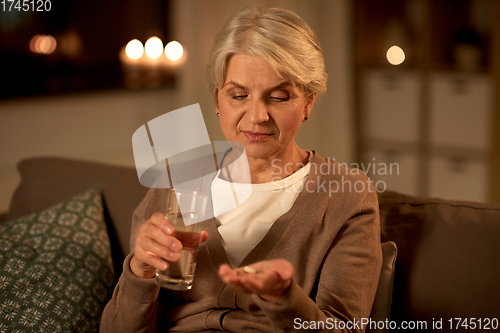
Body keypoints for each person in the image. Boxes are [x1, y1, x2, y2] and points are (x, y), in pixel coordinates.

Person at [101, 6, 382, 332]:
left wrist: (285, 300)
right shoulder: (177, 179)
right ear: (217, 100)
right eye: (238, 95)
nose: (257, 116)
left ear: (308, 103)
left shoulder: (348, 195)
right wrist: (140, 271)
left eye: (278, 96)